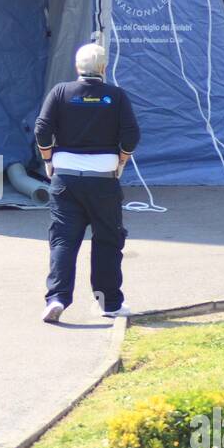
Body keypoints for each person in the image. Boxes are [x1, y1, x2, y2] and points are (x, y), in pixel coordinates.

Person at [34, 43, 140, 324]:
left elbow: (42, 129)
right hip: (103, 179)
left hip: (65, 177)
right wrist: (122, 160)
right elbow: (131, 134)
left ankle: (57, 298)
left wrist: (48, 159)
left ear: (77, 68)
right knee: (107, 239)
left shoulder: (60, 92)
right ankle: (109, 303)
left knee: (63, 240)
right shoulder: (116, 96)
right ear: (104, 68)